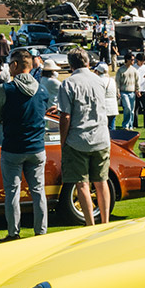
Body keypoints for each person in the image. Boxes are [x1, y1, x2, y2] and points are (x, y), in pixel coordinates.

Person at [0, 49, 48, 242]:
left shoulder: (5, 89)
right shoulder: (42, 90)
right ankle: (41, 231)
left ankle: (13, 232)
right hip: (37, 147)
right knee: (38, 191)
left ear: (15, 65)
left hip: (13, 147)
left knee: (13, 192)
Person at [56, 49, 111, 227]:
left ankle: (90, 224)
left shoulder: (68, 83)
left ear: (70, 64)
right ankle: (105, 221)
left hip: (78, 139)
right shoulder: (99, 81)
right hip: (101, 137)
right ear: (87, 62)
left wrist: (62, 140)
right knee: (102, 182)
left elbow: (65, 116)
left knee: (82, 183)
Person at [93, 62, 120, 132]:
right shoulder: (112, 80)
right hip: (113, 107)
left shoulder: (99, 81)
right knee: (112, 128)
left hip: (103, 107)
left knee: (102, 129)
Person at [116, 57, 138, 130]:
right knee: (127, 108)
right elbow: (117, 82)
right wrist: (118, 91)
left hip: (132, 92)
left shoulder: (134, 70)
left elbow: (137, 80)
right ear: (127, 60)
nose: (133, 61)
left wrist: (137, 90)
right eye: (131, 59)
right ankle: (125, 125)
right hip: (124, 92)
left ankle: (130, 125)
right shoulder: (121, 70)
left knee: (132, 110)